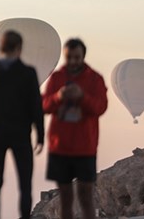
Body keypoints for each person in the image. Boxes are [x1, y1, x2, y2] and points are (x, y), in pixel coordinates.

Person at [42, 38, 108, 219]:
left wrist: (82, 97)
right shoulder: (56, 78)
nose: (72, 61)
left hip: (85, 147)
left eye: (76, 57)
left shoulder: (95, 79)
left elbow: (100, 107)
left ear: (83, 56)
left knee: (86, 197)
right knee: (65, 198)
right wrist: (58, 97)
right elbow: (44, 106)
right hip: (60, 146)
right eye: (69, 57)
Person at [0, 30, 45, 219]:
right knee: (25, 184)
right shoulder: (27, 73)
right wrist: (40, 134)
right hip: (20, 133)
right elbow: (36, 105)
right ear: (19, 47)